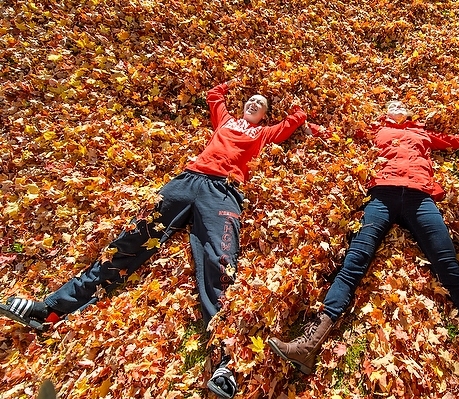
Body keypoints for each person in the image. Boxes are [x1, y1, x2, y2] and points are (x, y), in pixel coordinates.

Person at [0, 78, 310, 399]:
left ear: (265, 117)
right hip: (188, 180)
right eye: (251, 100)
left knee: (220, 261)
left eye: (261, 105)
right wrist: (235, 82)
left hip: (224, 194)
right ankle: (50, 309)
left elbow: (293, 121)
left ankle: (225, 359)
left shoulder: (263, 133)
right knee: (129, 240)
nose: (254, 105)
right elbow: (214, 95)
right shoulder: (226, 120)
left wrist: (294, 102)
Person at [268, 100, 459, 399]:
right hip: (382, 195)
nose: (395, 105)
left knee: (451, 272)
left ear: (408, 114)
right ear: (385, 113)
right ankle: (308, 344)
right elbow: (342, 136)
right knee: (354, 263)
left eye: (400, 104)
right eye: (390, 103)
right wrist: (309, 126)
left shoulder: (422, 134)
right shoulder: (376, 130)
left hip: (421, 199)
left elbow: (453, 142)